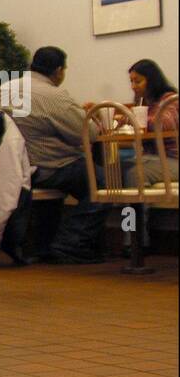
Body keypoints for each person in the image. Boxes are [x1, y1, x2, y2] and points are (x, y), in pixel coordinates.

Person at [10, 46, 107, 263]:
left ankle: (43, 245)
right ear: (58, 71)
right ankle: (70, 244)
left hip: (12, 169)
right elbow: (87, 133)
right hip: (47, 167)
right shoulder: (53, 96)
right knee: (105, 183)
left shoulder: (3, 90)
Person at [127, 59, 178, 184]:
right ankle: (121, 203)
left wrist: (129, 118)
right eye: (131, 81)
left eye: (137, 81)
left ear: (152, 81)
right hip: (151, 158)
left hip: (173, 159)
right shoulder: (144, 103)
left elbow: (163, 123)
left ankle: (141, 204)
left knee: (136, 173)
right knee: (115, 168)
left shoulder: (170, 99)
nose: (133, 86)